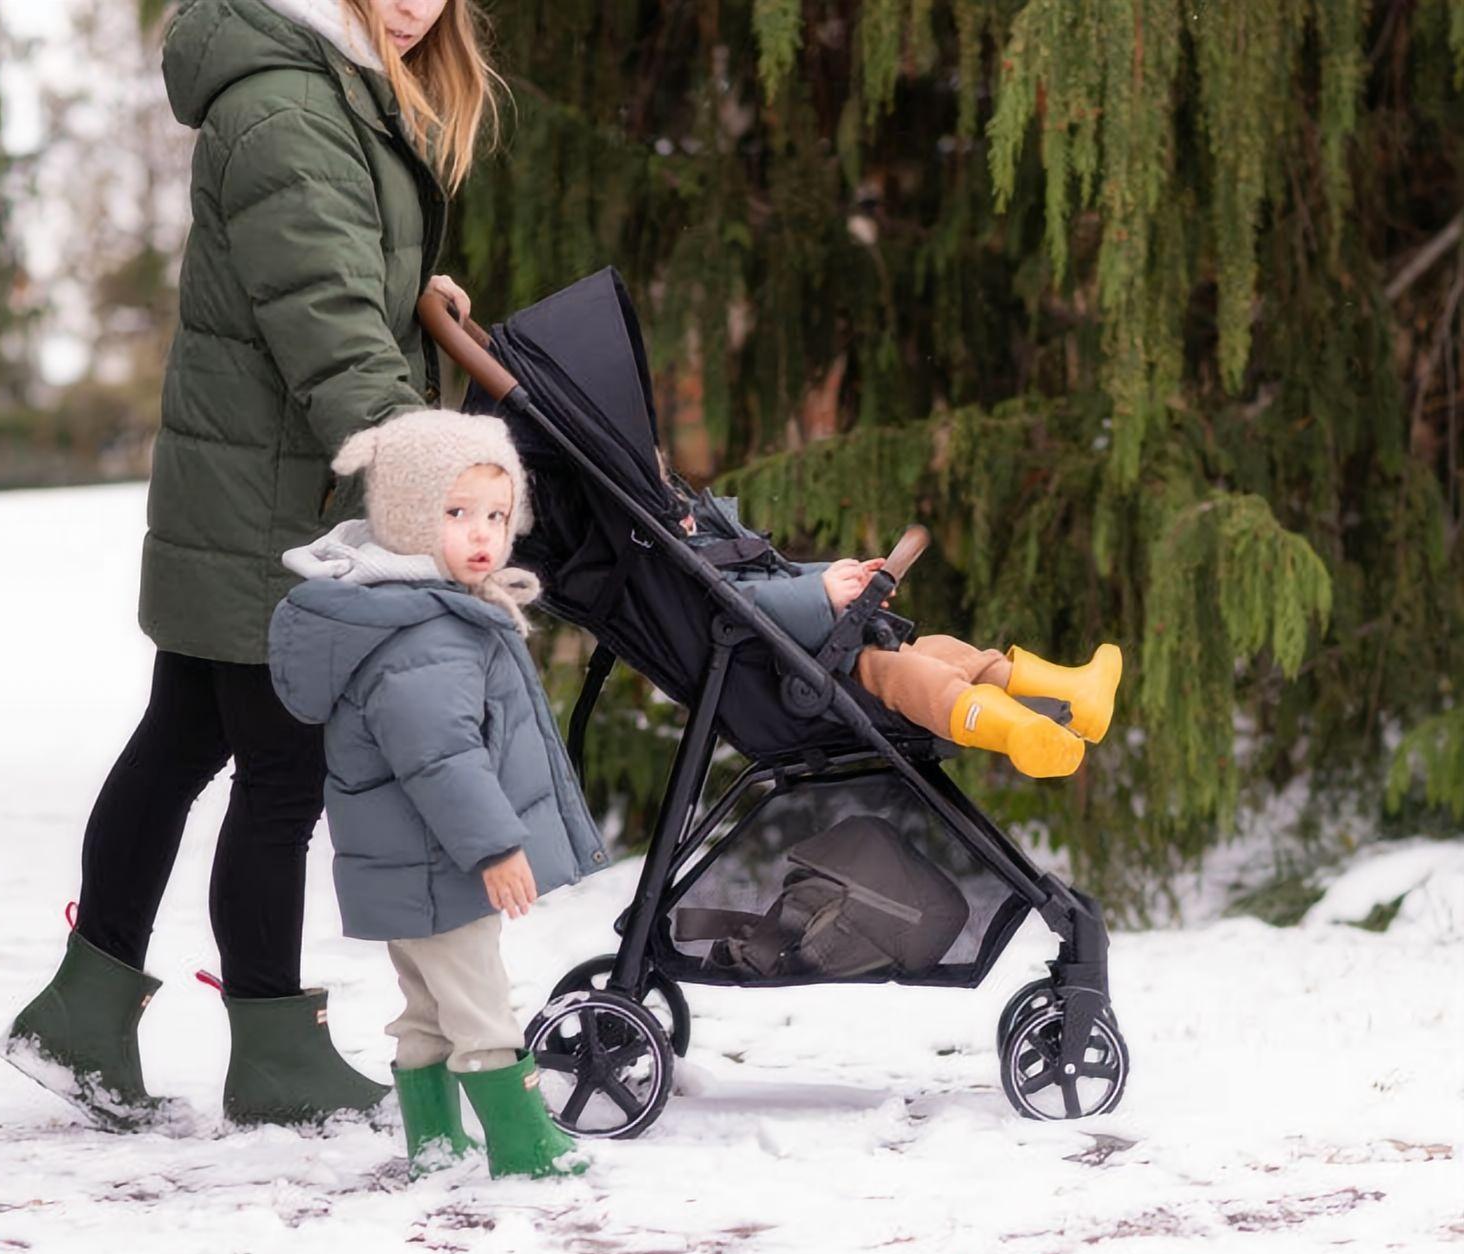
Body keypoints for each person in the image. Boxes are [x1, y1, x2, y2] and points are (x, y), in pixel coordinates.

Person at [0, 0, 503, 1129]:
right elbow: (320, 317)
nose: (418, 7)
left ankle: (80, 1016)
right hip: (280, 497)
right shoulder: (289, 104)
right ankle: (273, 1054)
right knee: (281, 777)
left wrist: (415, 296)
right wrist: (415, 466)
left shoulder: (313, 84)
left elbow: (322, 272)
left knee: (181, 736)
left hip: (252, 481)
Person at [269, 410, 608, 1180]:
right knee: (480, 1003)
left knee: (426, 1008)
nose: (482, 534)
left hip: (413, 865)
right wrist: (493, 847)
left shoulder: (428, 611)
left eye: (495, 514)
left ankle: (433, 1143)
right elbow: (441, 759)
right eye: (456, 515)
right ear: (406, 517)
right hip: (442, 865)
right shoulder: (422, 634)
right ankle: (524, 1147)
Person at [681, 488, 1122, 780]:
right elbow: (753, 606)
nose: (685, 515)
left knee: (944, 651)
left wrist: (837, 576)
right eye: (675, 511)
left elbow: (777, 582)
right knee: (913, 677)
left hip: (833, 656)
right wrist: (824, 594)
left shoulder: (715, 554)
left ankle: (1076, 695)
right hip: (817, 680)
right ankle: (1017, 732)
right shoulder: (696, 574)